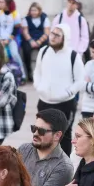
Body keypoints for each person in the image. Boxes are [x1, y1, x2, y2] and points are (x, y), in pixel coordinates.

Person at [33, 24, 84, 154]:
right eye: (52, 33)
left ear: (64, 38)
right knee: (41, 135)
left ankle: (64, 168)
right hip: (44, 101)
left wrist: (68, 92)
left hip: (65, 104)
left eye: (57, 35)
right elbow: (37, 71)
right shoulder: (43, 51)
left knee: (63, 137)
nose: (53, 37)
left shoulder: (73, 55)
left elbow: (80, 80)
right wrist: (38, 86)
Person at [20, 2, 50, 80]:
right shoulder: (26, 19)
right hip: (30, 39)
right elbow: (25, 32)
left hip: (42, 39)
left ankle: (44, 73)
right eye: (32, 10)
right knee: (26, 51)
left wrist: (39, 41)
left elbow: (46, 32)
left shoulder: (44, 18)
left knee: (45, 50)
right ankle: (29, 73)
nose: (33, 12)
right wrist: (31, 41)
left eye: (35, 10)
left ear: (39, 11)